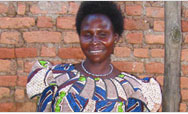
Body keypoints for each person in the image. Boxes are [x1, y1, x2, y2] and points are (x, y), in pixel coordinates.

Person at [26, 1, 162, 112]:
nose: (95, 41)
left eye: (102, 34)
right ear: (79, 36)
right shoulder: (56, 79)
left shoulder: (132, 90)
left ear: (115, 37)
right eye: (87, 34)